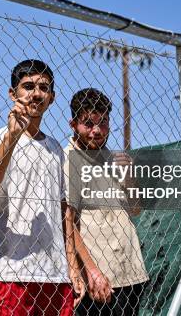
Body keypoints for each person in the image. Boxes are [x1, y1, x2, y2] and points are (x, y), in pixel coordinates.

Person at [0, 59, 84, 315]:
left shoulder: (56, 149)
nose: (36, 93)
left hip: (55, 277)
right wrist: (11, 137)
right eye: (28, 86)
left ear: (52, 97)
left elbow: (64, 211)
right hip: (8, 273)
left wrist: (72, 267)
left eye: (43, 87)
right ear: (13, 94)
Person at [64, 88, 148, 316]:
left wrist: (129, 178)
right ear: (73, 125)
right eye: (88, 124)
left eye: (103, 123)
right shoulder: (68, 160)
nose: (97, 131)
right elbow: (67, 223)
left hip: (130, 271)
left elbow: (135, 210)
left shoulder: (112, 158)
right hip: (98, 278)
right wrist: (91, 272)